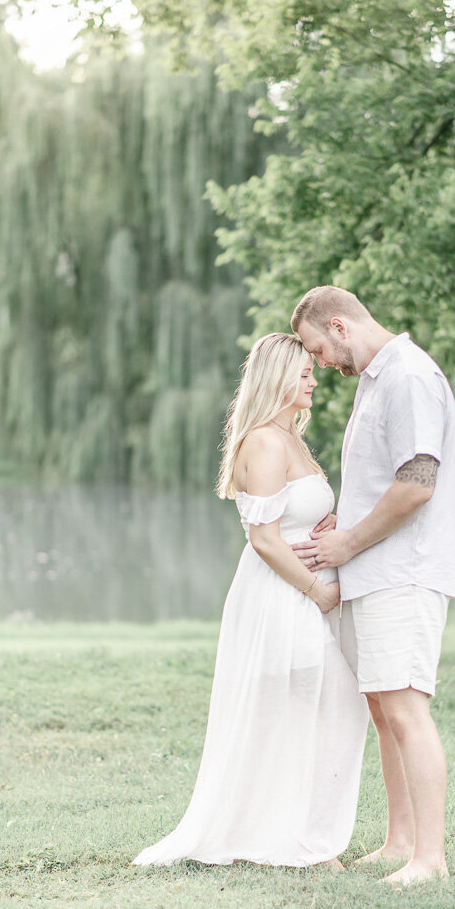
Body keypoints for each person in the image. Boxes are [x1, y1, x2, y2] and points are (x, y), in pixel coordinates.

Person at [133, 333, 368, 870]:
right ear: (280, 379)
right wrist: (318, 592)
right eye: (305, 373)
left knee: (325, 703)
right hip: (282, 596)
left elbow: (290, 516)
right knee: (306, 702)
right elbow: (263, 538)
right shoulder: (263, 441)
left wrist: (325, 524)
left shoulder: (293, 440)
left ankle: (300, 834)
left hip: (304, 594)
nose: (315, 380)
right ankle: (292, 840)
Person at [291, 287, 455, 885]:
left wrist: (347, 543)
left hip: (406, 571)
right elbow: (379, 482)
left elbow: (418, 481)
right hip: (374, 571)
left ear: (340, 327)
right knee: (382, 709)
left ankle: (431, 859)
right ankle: (400, 843)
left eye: (317, 349)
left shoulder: (409, 377)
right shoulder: (375, 381)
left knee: (406, 707)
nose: (319, 363)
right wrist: (339, 524)